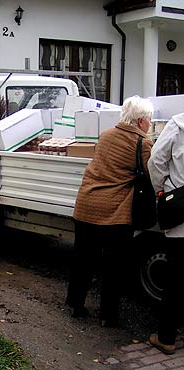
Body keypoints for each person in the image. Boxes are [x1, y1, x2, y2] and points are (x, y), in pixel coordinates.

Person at [65, 95, 154, 327]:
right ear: (141, 121)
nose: (151, 124)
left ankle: (75, 305)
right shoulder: (143, 144)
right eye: (150, 120)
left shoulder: (105, 136)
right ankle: (108, 316)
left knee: (82, 259)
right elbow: (152, 172)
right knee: (114, 266)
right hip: (114, 212)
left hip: (86, 205)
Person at [147, 112, 184, 355]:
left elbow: (156, 161)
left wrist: (162, 191)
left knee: (175, 279)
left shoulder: (179, 123)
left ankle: (167, 338)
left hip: (181, 212)